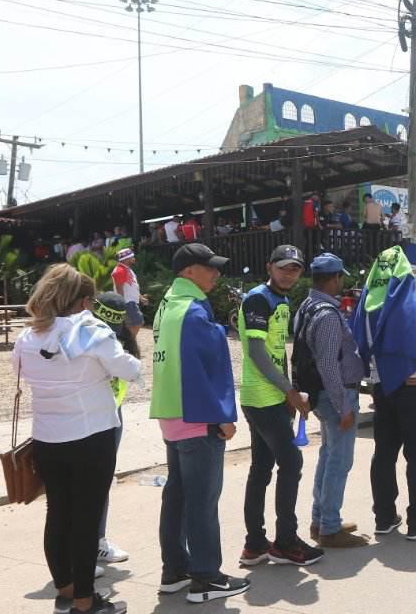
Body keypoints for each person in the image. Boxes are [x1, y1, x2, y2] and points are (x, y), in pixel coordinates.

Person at [15, 265, 141, 614]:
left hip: (46, 438)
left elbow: (20, 373)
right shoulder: (90, 330)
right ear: (84, 300)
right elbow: (128, 369)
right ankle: (86, 602)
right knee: (86, 520)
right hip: (90, 436)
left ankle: (67, 589)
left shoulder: (28, 336)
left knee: (58, 514)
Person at [151, 244, 249, 603]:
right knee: (201, 502)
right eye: (209, 268)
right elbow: (199, 371)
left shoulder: (167, 305)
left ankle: (175, 571)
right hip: (197, 418)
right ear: (188, 271)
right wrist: (220, 418)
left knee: (176, 497)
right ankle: (207, 577)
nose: (216, 274)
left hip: (171, 416)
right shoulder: (192, 311)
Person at [353, 246, 416, 541]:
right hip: (410, 387)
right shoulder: (401, 298)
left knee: (384, 454)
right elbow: (409, 344)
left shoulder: (370, 299)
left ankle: (384, 517)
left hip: (382, 387)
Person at [237, 245, 322, 568]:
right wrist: (289, 393)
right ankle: (285, 542)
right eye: (284, 267)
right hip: (261, 397)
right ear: (269, 266)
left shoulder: (282, 300)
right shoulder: (259, 299)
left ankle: (255, 544)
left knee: (261, 469)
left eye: (295, 268)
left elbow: (276, 352)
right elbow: (257, 353)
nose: (289, 273)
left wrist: (289, 389)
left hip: (272, 396)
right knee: (291, 463)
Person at [291, 254, 370, 548]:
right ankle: (329, 528)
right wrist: (343, 406)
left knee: (328, 457)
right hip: (335, 395)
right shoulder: (325, 314)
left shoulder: (307, 306)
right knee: (339, 461)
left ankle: (321, 519)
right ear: (335, 278)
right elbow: (327, 363)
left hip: (323, 395)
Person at [89, 293, 140, 566]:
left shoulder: (106, 339)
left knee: (99, 483)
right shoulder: (103, 340)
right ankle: (89, 548)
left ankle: (95, 543)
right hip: (95, 419)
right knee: (94, 484)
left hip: (110, 416)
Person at [110, 248, 147, 338]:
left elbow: (132, 286)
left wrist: (141, 297)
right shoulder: (120, 271)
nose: (134, 258)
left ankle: (129, 342)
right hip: (127, 302)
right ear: (126, 259)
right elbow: (119, 288)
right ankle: (129, 342)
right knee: (137, 322)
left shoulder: (126, 269)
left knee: (134, 323)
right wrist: (121, 304)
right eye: (132, 257)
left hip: (130, 301)